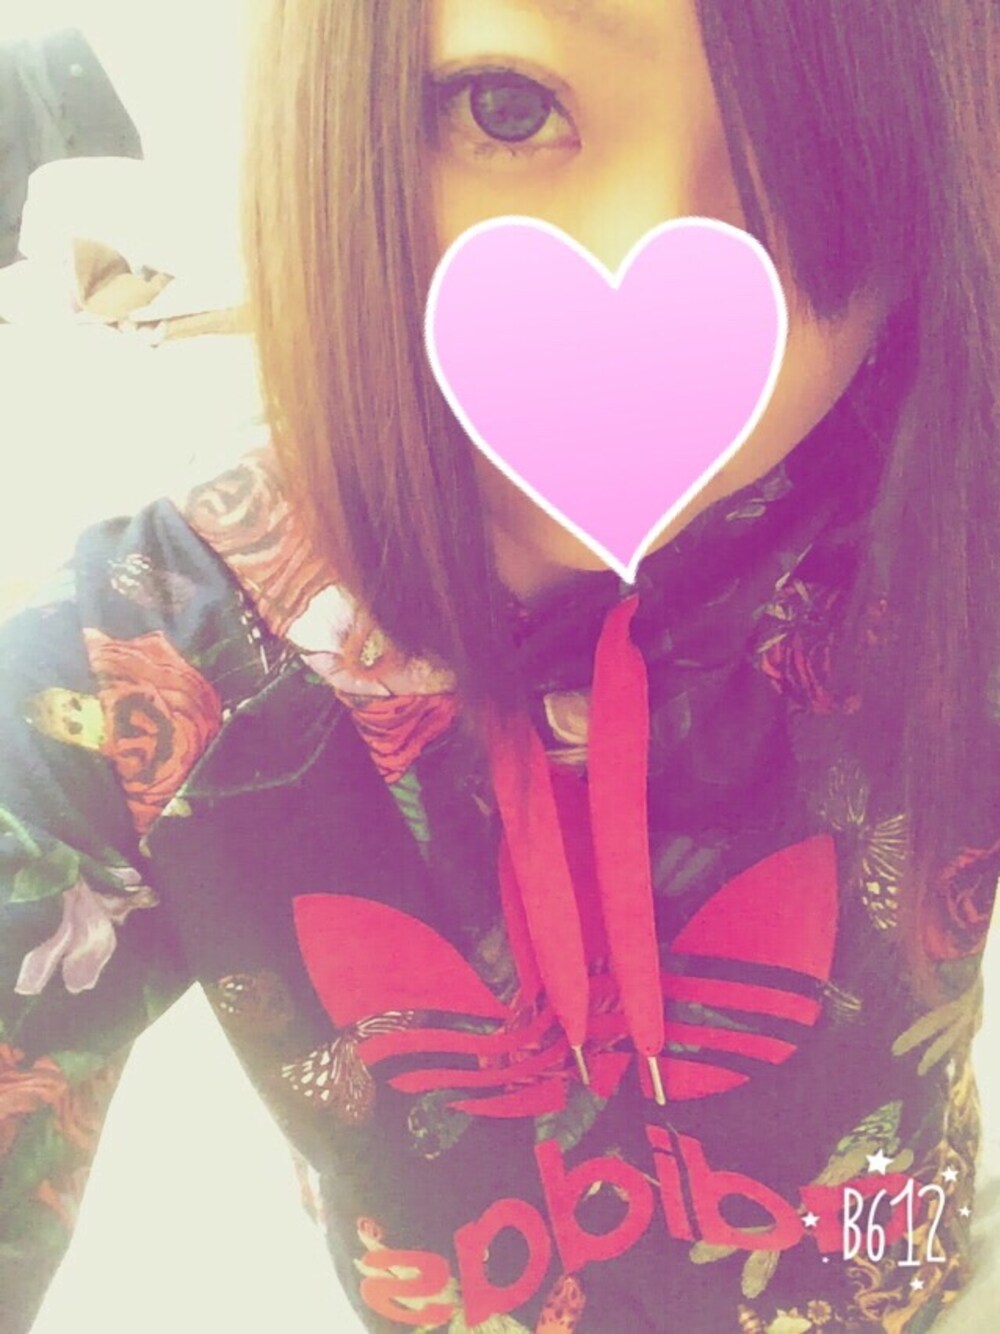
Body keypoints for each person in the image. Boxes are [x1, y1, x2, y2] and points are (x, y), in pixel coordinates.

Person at [2, 1, 999, 1330]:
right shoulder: (146, 671)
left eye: (825, 157)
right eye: (507, 109)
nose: (647, 281)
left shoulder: (948, 519)